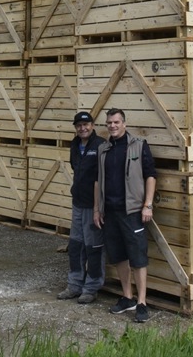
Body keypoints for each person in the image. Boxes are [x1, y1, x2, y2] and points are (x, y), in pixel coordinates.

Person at [93, 108, 157, 323]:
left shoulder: (138, 145)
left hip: (132, 212)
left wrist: (147, 205)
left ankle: (141, 302)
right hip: (109, 211)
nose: (112, 126)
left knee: (138, 257)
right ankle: (127, 297)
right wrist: (97, 209)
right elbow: (97, 181)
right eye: (109, 122)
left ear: (124, 124)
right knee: (119, 256)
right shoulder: (103, 149)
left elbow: (150, 176)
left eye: (116, 122)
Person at [56, 111, 105, 304]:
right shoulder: (75, 144)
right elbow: (76, 169)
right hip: (78, 202)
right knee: (76, 245)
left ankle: (91, 288)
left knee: (94, 247)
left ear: (92, 125)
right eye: (79, 126)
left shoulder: (100, 145)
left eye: (86, 125)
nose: (82, 128)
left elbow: (101, 179)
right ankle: (74, 285)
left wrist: (97, 208)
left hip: (93, 206)